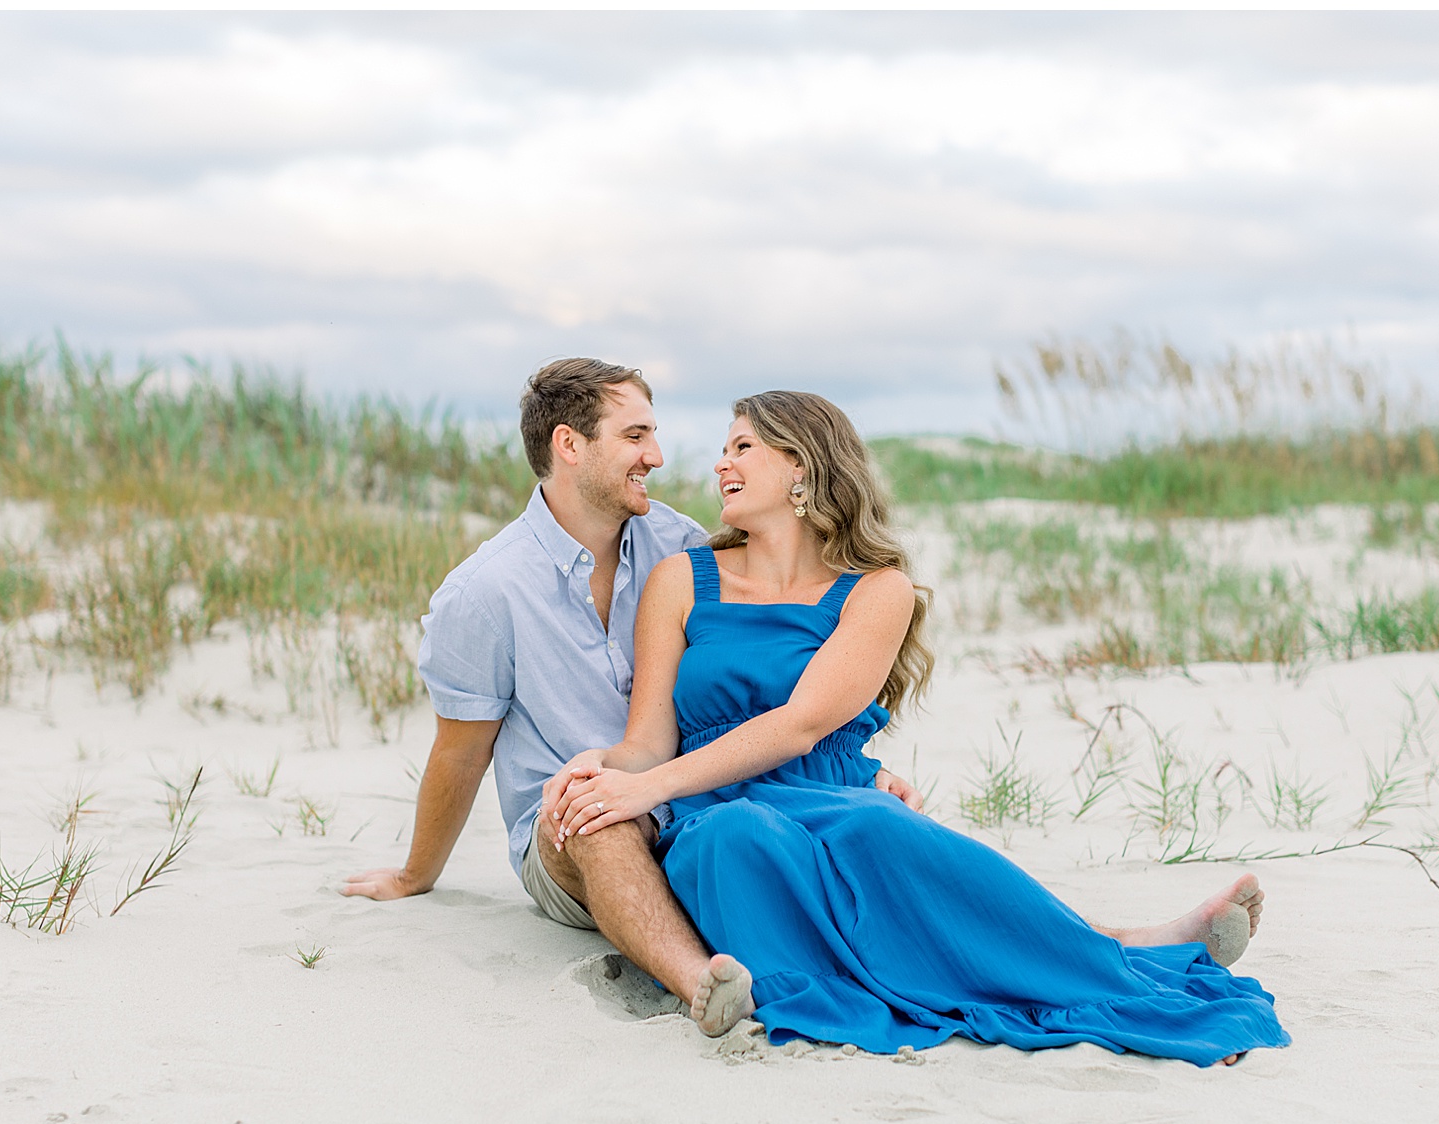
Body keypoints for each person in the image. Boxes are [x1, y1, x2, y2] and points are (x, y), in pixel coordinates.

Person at [542, 390, 1290, 1067]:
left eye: (742, 447)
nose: (719, 464)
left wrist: (649, 784)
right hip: (713, 804)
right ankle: (1114, 943)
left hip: (830, 793)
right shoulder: (683, 578)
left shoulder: (878, 591)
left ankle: (1127, 950)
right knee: (742, 841)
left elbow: (803, 724)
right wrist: (607, 767)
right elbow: (648, 737)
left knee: (882, 830)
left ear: (800, 466)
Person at [341, 358, 924, 1038]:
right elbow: (459, 750)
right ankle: (702, 984)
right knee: (598, 815)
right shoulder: (486, 591)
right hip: (575, 826)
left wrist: (854, 766)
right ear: (569, 445)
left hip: (700, 801)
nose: (658, 455)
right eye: (636, 436)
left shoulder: (682, 547)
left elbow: (773, 670)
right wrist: (417, 871)